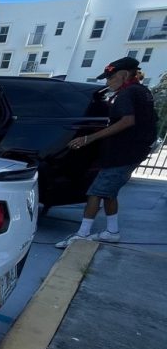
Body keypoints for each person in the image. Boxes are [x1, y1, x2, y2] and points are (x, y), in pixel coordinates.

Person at [56, 57, 157, 248]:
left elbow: (127, 121)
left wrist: (89, 138)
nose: (107, 82)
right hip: (131, 152)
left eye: (110, 78)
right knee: (109, 192)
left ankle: (82, 234)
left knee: (95, 192)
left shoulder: (127, 94)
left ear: (124, 74)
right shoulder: (143, 92)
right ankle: (112, 231)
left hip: (122, 154)